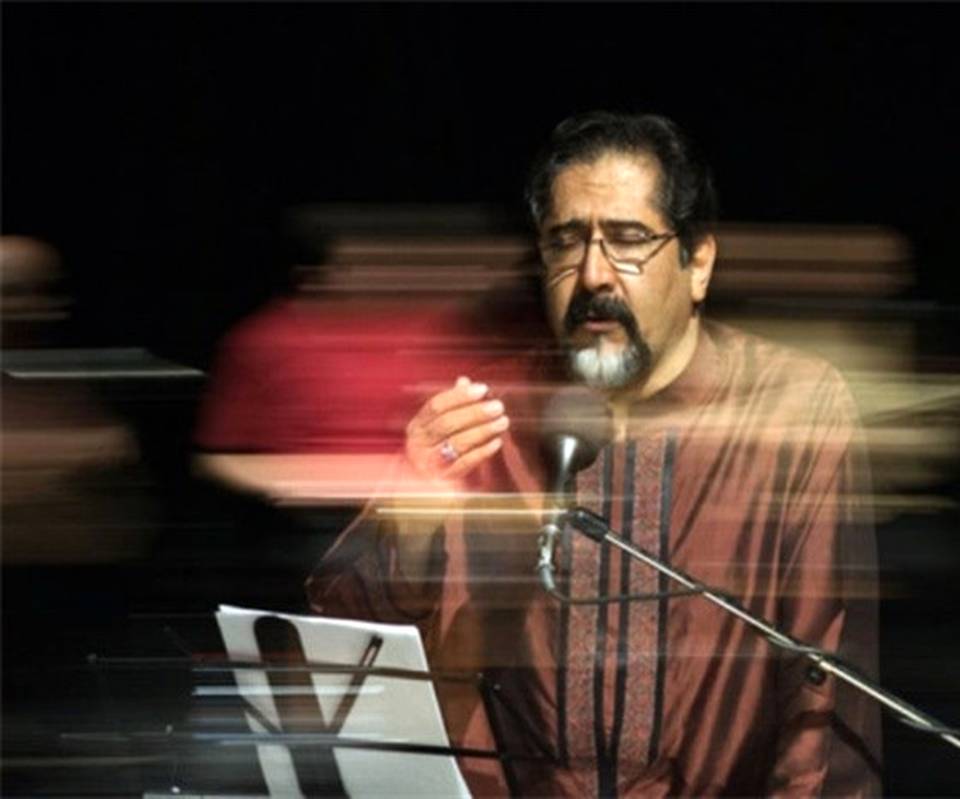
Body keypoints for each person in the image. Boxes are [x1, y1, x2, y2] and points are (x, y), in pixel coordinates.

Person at [307, 112, 881, 797]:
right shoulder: (484, 418)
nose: (592, 275)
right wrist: (411, 526)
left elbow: (823, 692)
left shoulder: (790, 408)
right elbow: (344, 661)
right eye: (565, 242)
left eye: (629, 240)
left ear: (698, 263)